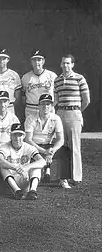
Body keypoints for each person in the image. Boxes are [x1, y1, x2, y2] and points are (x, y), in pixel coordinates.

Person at [54, 54, 90, 187]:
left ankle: (76, 177)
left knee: (75, 146)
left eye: (68, 63)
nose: (65, 66)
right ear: (60, 64)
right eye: (63, 63)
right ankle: (63, 177)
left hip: (74, 113)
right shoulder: (57, 80)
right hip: (60, 113)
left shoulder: (79, 78)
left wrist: (77, 111)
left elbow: (86, 100)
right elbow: (56, 100)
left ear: (72, 64)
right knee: (62, 146)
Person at [0, 123, 46, 200]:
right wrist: (15, 167)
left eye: (20, 135)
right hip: (9, 181)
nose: (17, 138)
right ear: (10, 135)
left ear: (24, 136)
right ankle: (17, 191)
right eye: (14, 135)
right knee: (3, 167)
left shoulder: (29, 147)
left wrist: (27, 167)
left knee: (36, 166)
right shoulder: (4, 147)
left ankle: (32, 191)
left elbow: (42, 161)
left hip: (24, 177)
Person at [25, 94, 64, 185]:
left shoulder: (56, 118)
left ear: (51, 106)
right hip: (34, 146)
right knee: (30, 175)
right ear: (38, 105)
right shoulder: (30, 119)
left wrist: (52, 151)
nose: (45, 106)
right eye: (42, 104)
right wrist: (44, 151)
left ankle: (63, 179)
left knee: (65, 151)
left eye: (48, 104)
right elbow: (28, 140)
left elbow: (61, 140)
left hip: (48, 146)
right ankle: (43, 170)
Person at [21, 50, 57, 119]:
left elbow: (57, 95)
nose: (36, 62)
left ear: (43, 61)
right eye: (34, 60)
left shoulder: (52, 76)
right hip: (31, 109)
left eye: (39, 60)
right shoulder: (25, 77)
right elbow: (23, 97)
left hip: (47, 108)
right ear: (31, 62)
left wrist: (51, 106)